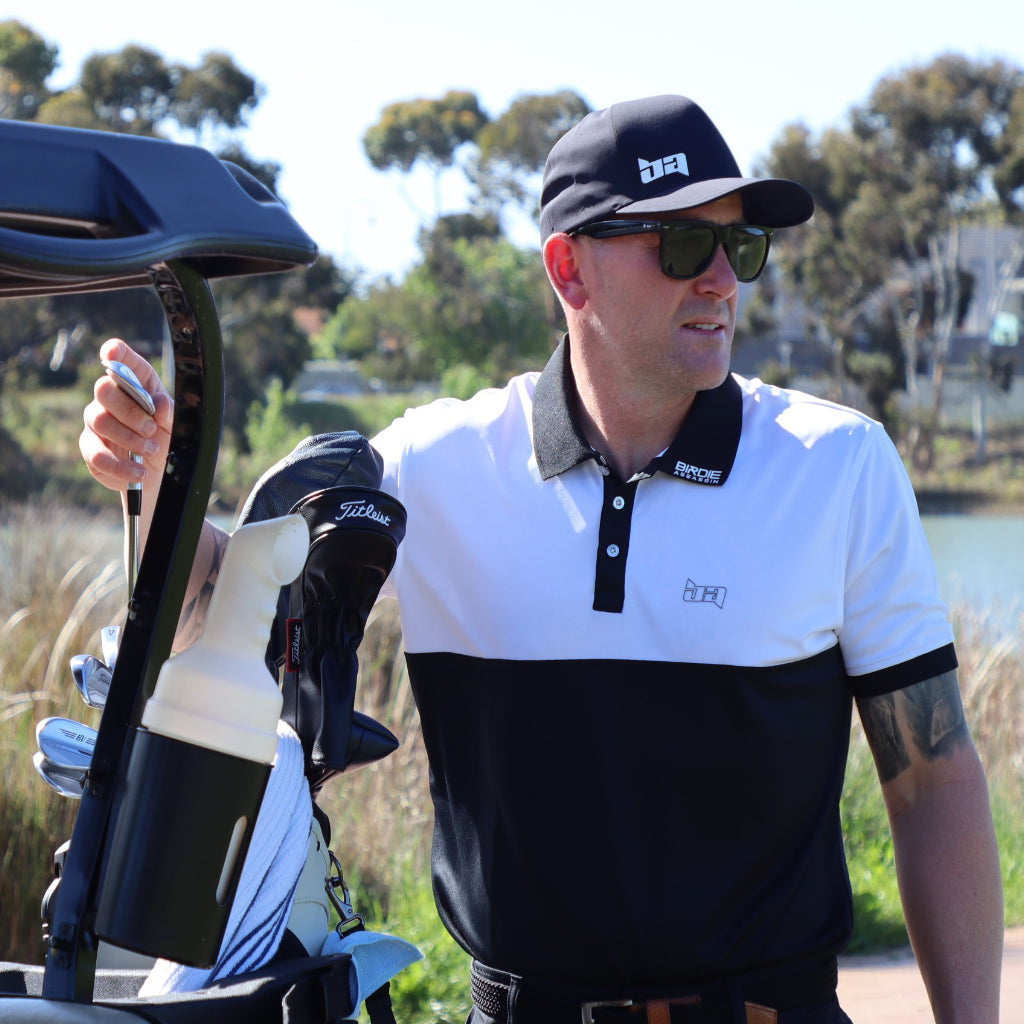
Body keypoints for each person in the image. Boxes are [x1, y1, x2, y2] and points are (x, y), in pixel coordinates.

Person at [81, 94, 1003, 1023]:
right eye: (683, 246)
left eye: (743, 247)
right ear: (570, 269)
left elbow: (931, 777)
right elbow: (226, 611)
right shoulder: (434, 464)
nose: (724, 279)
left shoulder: (839, 466)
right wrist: (156, 479)